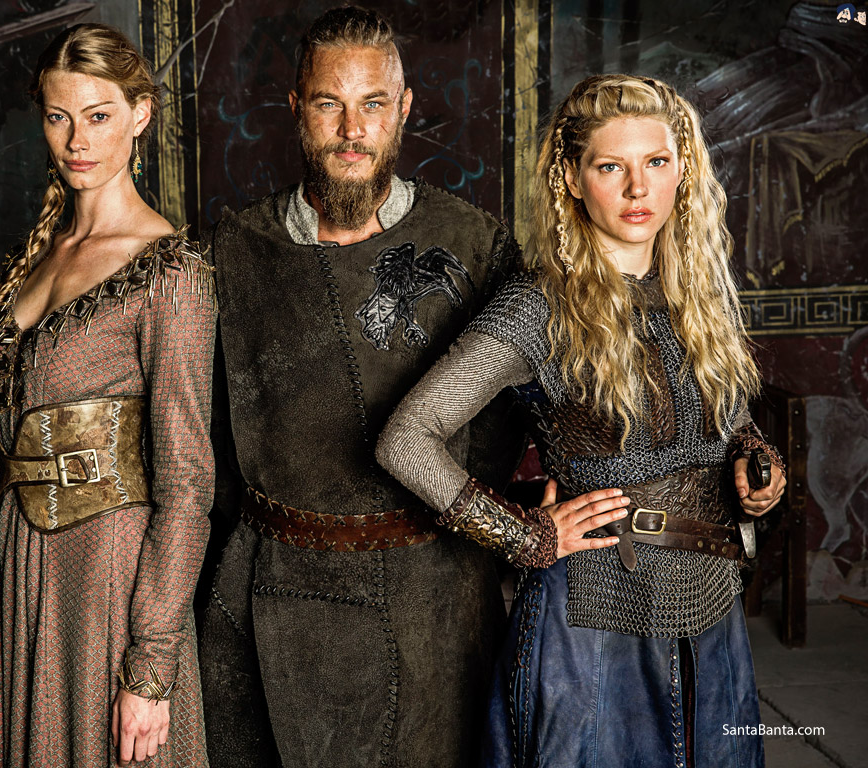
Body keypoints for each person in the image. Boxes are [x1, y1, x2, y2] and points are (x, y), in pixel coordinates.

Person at [377, 74, 786, 768]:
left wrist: (754, 467)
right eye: (611, 167)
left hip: (711, 602)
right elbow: (406, 439)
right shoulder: (538, 307)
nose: (638, 188)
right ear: (571, 177)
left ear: (682, 170)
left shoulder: (700, 295)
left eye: (656, 162)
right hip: (594, 610)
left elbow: (731, 421)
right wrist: (522, 534)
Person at [198, 7, 524, 767]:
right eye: (329, 103)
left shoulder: (473, 243)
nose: (352, 130)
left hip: (434, 594)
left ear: (403, 109)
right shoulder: (231, 252)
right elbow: (200, 438)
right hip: (272, 591)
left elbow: (513, 420)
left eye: (373, 104)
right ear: (296, 108)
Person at [0, 23, 216, 767]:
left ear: (140, 114)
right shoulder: (35, 259)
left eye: (98, 115)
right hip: (10, 574)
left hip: (106, 585)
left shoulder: (170, 273)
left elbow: (187, 484)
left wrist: (150, 664)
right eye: (59, 117)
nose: (77, 140)